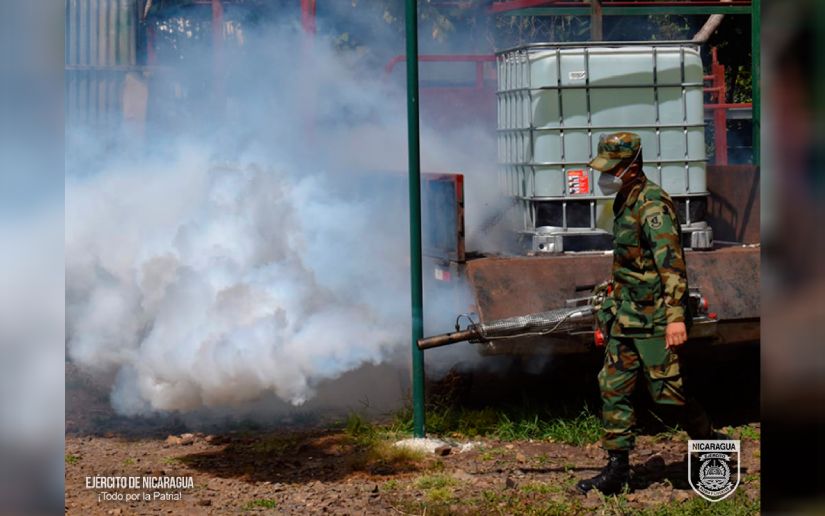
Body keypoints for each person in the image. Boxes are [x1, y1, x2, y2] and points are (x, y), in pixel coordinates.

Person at [576, 132, 723, 496]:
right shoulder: (624, 199)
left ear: (632, 167)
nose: (604, 176)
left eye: (610, 169)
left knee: (670, 394)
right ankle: (617, 469)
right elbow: (630, 263)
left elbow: (670, 265)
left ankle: (710, 442)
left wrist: (675, 318)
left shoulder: (653, 205)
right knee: (612, 386)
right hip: (625, 315)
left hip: (655, 318)